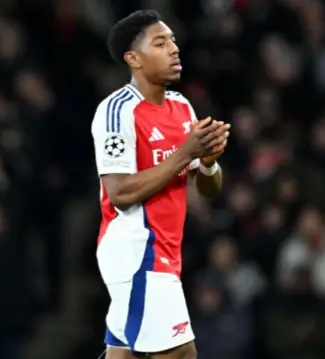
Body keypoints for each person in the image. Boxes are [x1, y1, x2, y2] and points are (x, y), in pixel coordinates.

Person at [91, 10, 230, 359]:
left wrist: (209, 163)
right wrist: (185, 153)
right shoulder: (116, 111)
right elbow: (120, 194)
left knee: (123, 355)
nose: (174, 49)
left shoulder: (182, 108)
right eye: (160, 42)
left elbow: (208, 187)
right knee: (181, 353)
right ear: (133, 59)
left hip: (165, 252)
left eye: (173, 40)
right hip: (138, 252)